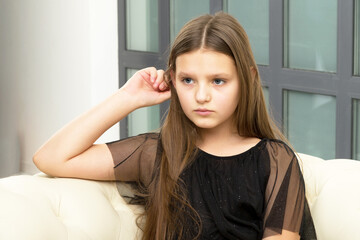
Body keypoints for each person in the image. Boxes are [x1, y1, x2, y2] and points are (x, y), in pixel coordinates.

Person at [33, 12, 317, 240]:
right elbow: (51, 158)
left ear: (248, 78)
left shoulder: (275, 160)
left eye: (218, 81)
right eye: (187, 80)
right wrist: (127, 98)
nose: (201, 95)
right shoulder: (157, 153)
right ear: (172, 79)